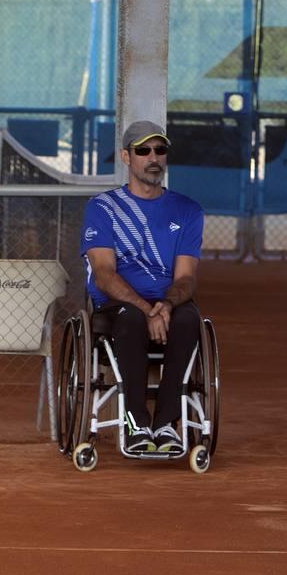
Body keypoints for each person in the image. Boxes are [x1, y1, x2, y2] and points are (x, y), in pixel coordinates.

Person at [81, 120, 204, 456]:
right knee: (132, 320)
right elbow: (104, 275)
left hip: (167, 302)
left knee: (188, 320)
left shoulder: (188, 210)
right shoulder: (102, 208)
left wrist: (164, 305)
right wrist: (147, 308)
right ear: (126, 156)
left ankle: (166, 424)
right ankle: (136, 422)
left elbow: (187, 278)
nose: (153, 157)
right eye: (143, 150)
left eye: (160, 150)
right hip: (119, 305)